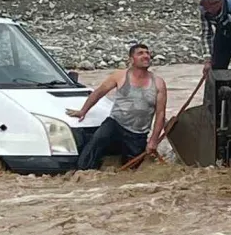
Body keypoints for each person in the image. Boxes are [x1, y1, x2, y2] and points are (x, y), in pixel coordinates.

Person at [66, 43, 167, 171]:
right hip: (115, 124)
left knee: (133, 169)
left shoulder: (158, 83)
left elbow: (161, 114)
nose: (146, 56)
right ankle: (81, 173)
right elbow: (98, 92)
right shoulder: (120, 76)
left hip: (138, 134)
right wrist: (83, 111)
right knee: (96, 142)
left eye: (147, 53)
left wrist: (153, 141)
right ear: (131, 60)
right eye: (140, 53)